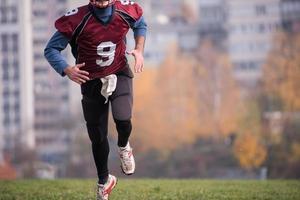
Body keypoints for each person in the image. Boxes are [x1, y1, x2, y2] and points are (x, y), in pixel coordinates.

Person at [44, 0, 147, 199]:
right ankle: (104, 182)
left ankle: (124, 146)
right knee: (97, 136)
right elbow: (50, 49)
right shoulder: (77, 18)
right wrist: (66, 69)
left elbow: (140, 23)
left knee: (123, 118)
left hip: (119, 73)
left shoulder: (125, 10)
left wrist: (139, 49)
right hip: (90, 79)